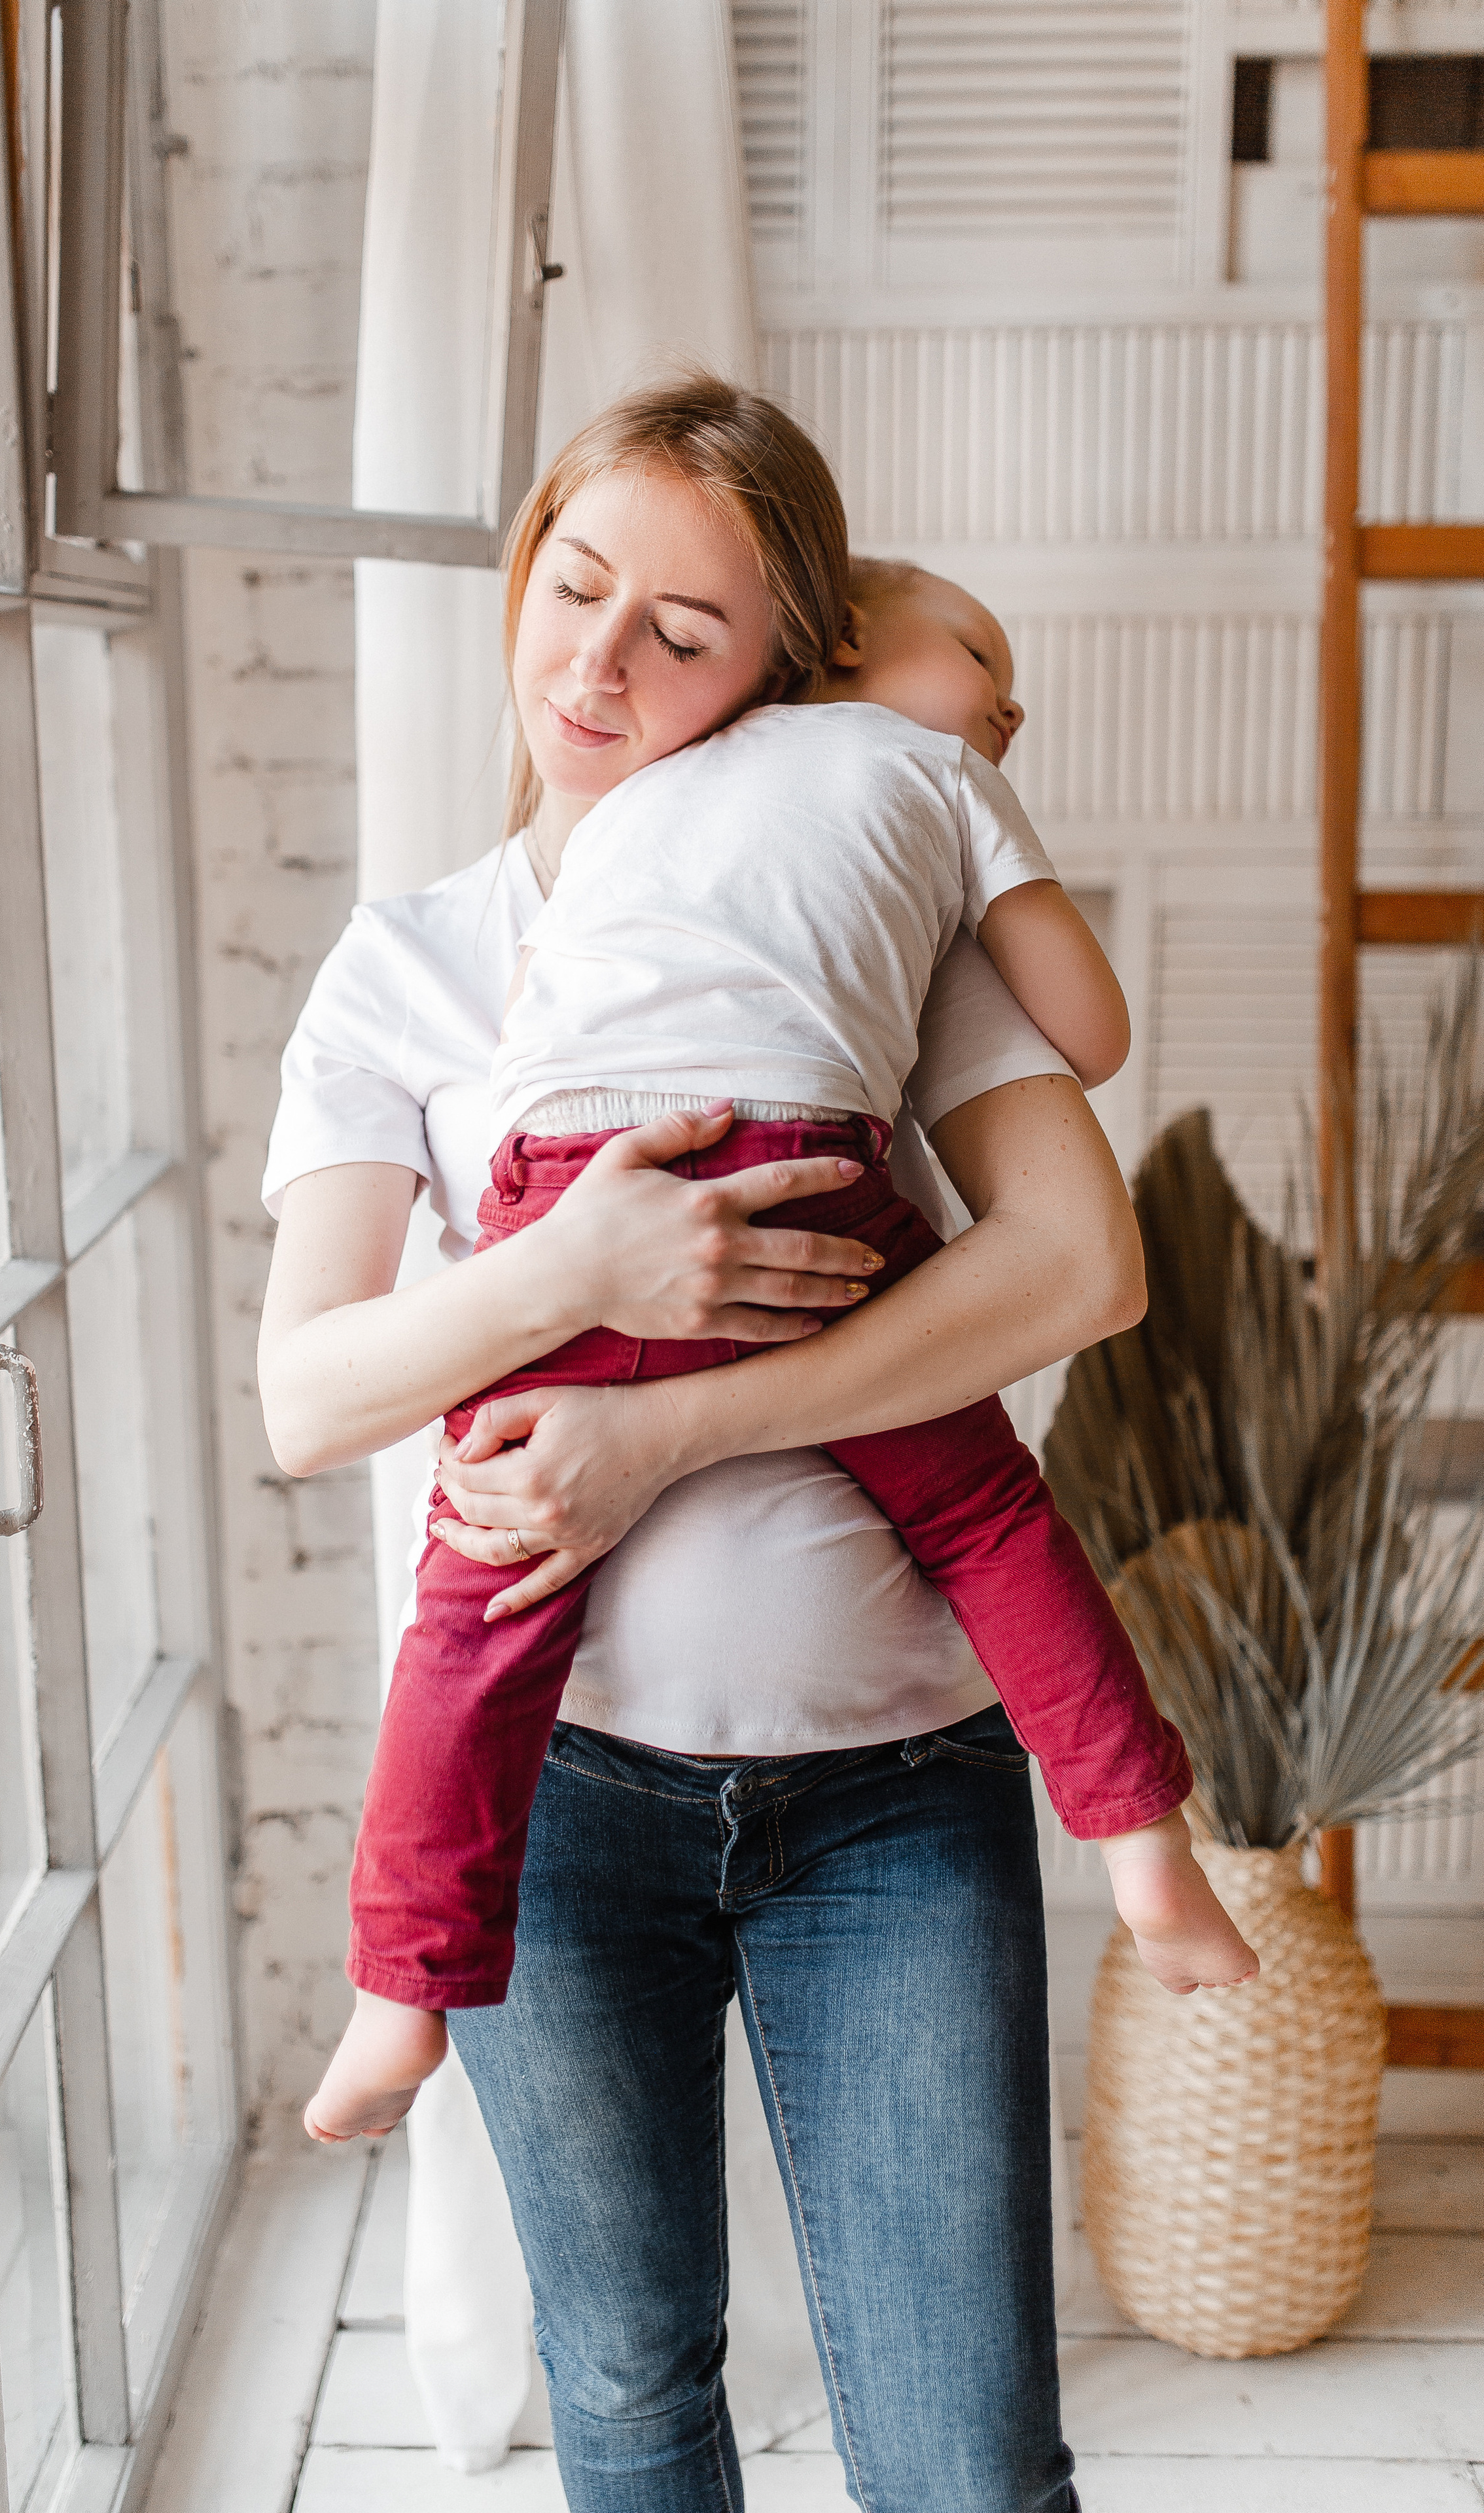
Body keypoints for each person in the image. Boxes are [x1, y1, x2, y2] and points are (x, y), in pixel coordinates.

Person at [260, 376, 1145, 2510]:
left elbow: (1075, 1272)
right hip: (554, 1805)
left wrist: (683, 1431)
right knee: (636, 2390)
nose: (602, 661)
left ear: (786, 666)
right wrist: (583, 1272)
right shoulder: (404, 974)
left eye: (687, 630)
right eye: (577, 589)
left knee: (967, 2457)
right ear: (519, 581)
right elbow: (311, 1395)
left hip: (894, 1798)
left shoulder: (868, 910)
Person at [317, 550, 1258, 2124]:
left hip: (569, 1181)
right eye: (976, 652)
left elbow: (555, 1004)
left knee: (471, 1607)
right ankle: (1146, 1854)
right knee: (981, 1509)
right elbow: (1091, 1035)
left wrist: (567, 1258)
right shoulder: (927, 776)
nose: (1004, 702)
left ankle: (398, 1998)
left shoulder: (630, 804)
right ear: (827, 644)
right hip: (802, 1175)